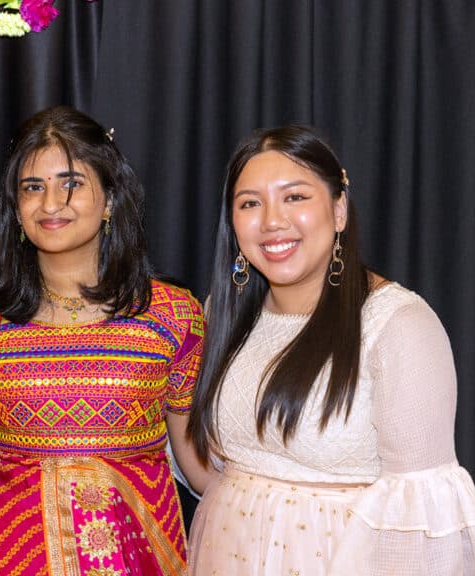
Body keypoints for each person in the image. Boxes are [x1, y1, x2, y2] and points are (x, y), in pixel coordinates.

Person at [0, 106, 212, 576]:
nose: (50, 204)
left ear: (108, 200)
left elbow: (195, 460)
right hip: (8, 561)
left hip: (138, 557)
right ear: (16, 210)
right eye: (33, 187)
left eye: (72, 183)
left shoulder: (173, 314)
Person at [186, 125, 475, 575]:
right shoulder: (222, 315)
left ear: (339, 209)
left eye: (295, 197)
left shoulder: (398, 326)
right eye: (250, 203)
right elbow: (218, 473)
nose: (272, 221)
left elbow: (420, 523)